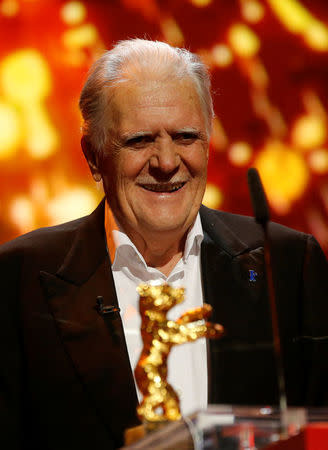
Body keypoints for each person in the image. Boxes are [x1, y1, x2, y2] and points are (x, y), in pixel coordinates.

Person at [0, 39, 327, 450]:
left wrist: (211, 439)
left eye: (186, 136)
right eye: (139, 140)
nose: (167, 161)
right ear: (92, 155)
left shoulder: (289, 264)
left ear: (209, 142)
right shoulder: (16, 279)